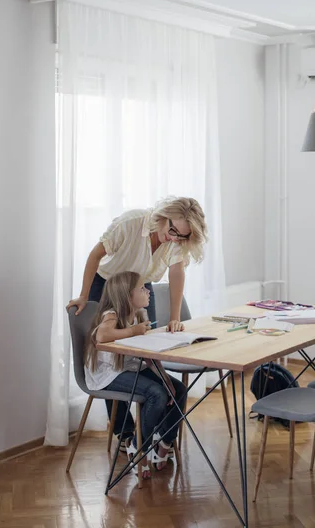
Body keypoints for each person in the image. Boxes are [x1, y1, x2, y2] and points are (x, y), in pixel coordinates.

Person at [67, 196, 207, 449]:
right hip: (108, 284)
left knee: (144, 348)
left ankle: (151, 432)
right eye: (172, 230)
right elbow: (95, 255)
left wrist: (175, 317)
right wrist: (85, 296)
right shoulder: (132, 223)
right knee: (111, 357)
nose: (174, 238)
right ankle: (124, 432)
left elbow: (177, 272)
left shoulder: (177, 238)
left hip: (140, 285)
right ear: (163, 217)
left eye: (182, 236)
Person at [84, 271, 187, 479]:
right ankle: (138, 445)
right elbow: (102, 335)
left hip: (131, 367)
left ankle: (164, 440)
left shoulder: (141, 314)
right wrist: (134, 331)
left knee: (179, 390)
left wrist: (166, 379)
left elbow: (148, 354)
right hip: (107, 375)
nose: (148, 290)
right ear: (127, 295)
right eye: (142, 288)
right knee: (156, 394)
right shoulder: (112, 314)